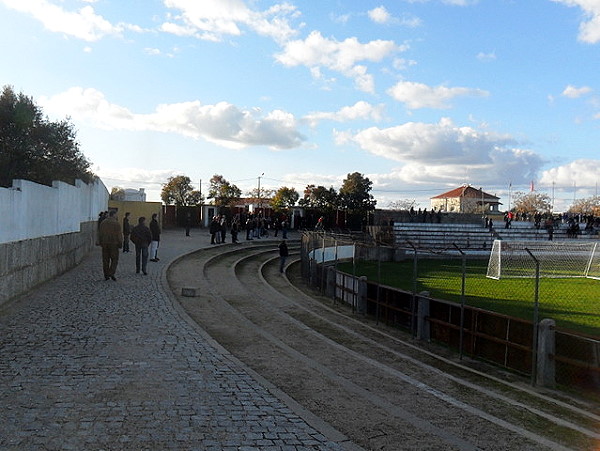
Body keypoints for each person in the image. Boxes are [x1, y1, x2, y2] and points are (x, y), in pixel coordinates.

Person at [97, 210, 122, 281]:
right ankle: (111, 272)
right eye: (116, 214)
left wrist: (100, 242)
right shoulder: (116, 223)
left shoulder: (103, 223)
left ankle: (106, 275)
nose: (117, 216)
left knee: (105, 260)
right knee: (114, 259)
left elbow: (100, 233)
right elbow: (119, 235)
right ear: (113, 215)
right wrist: (120, 243)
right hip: (114, 243)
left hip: (104, 243)